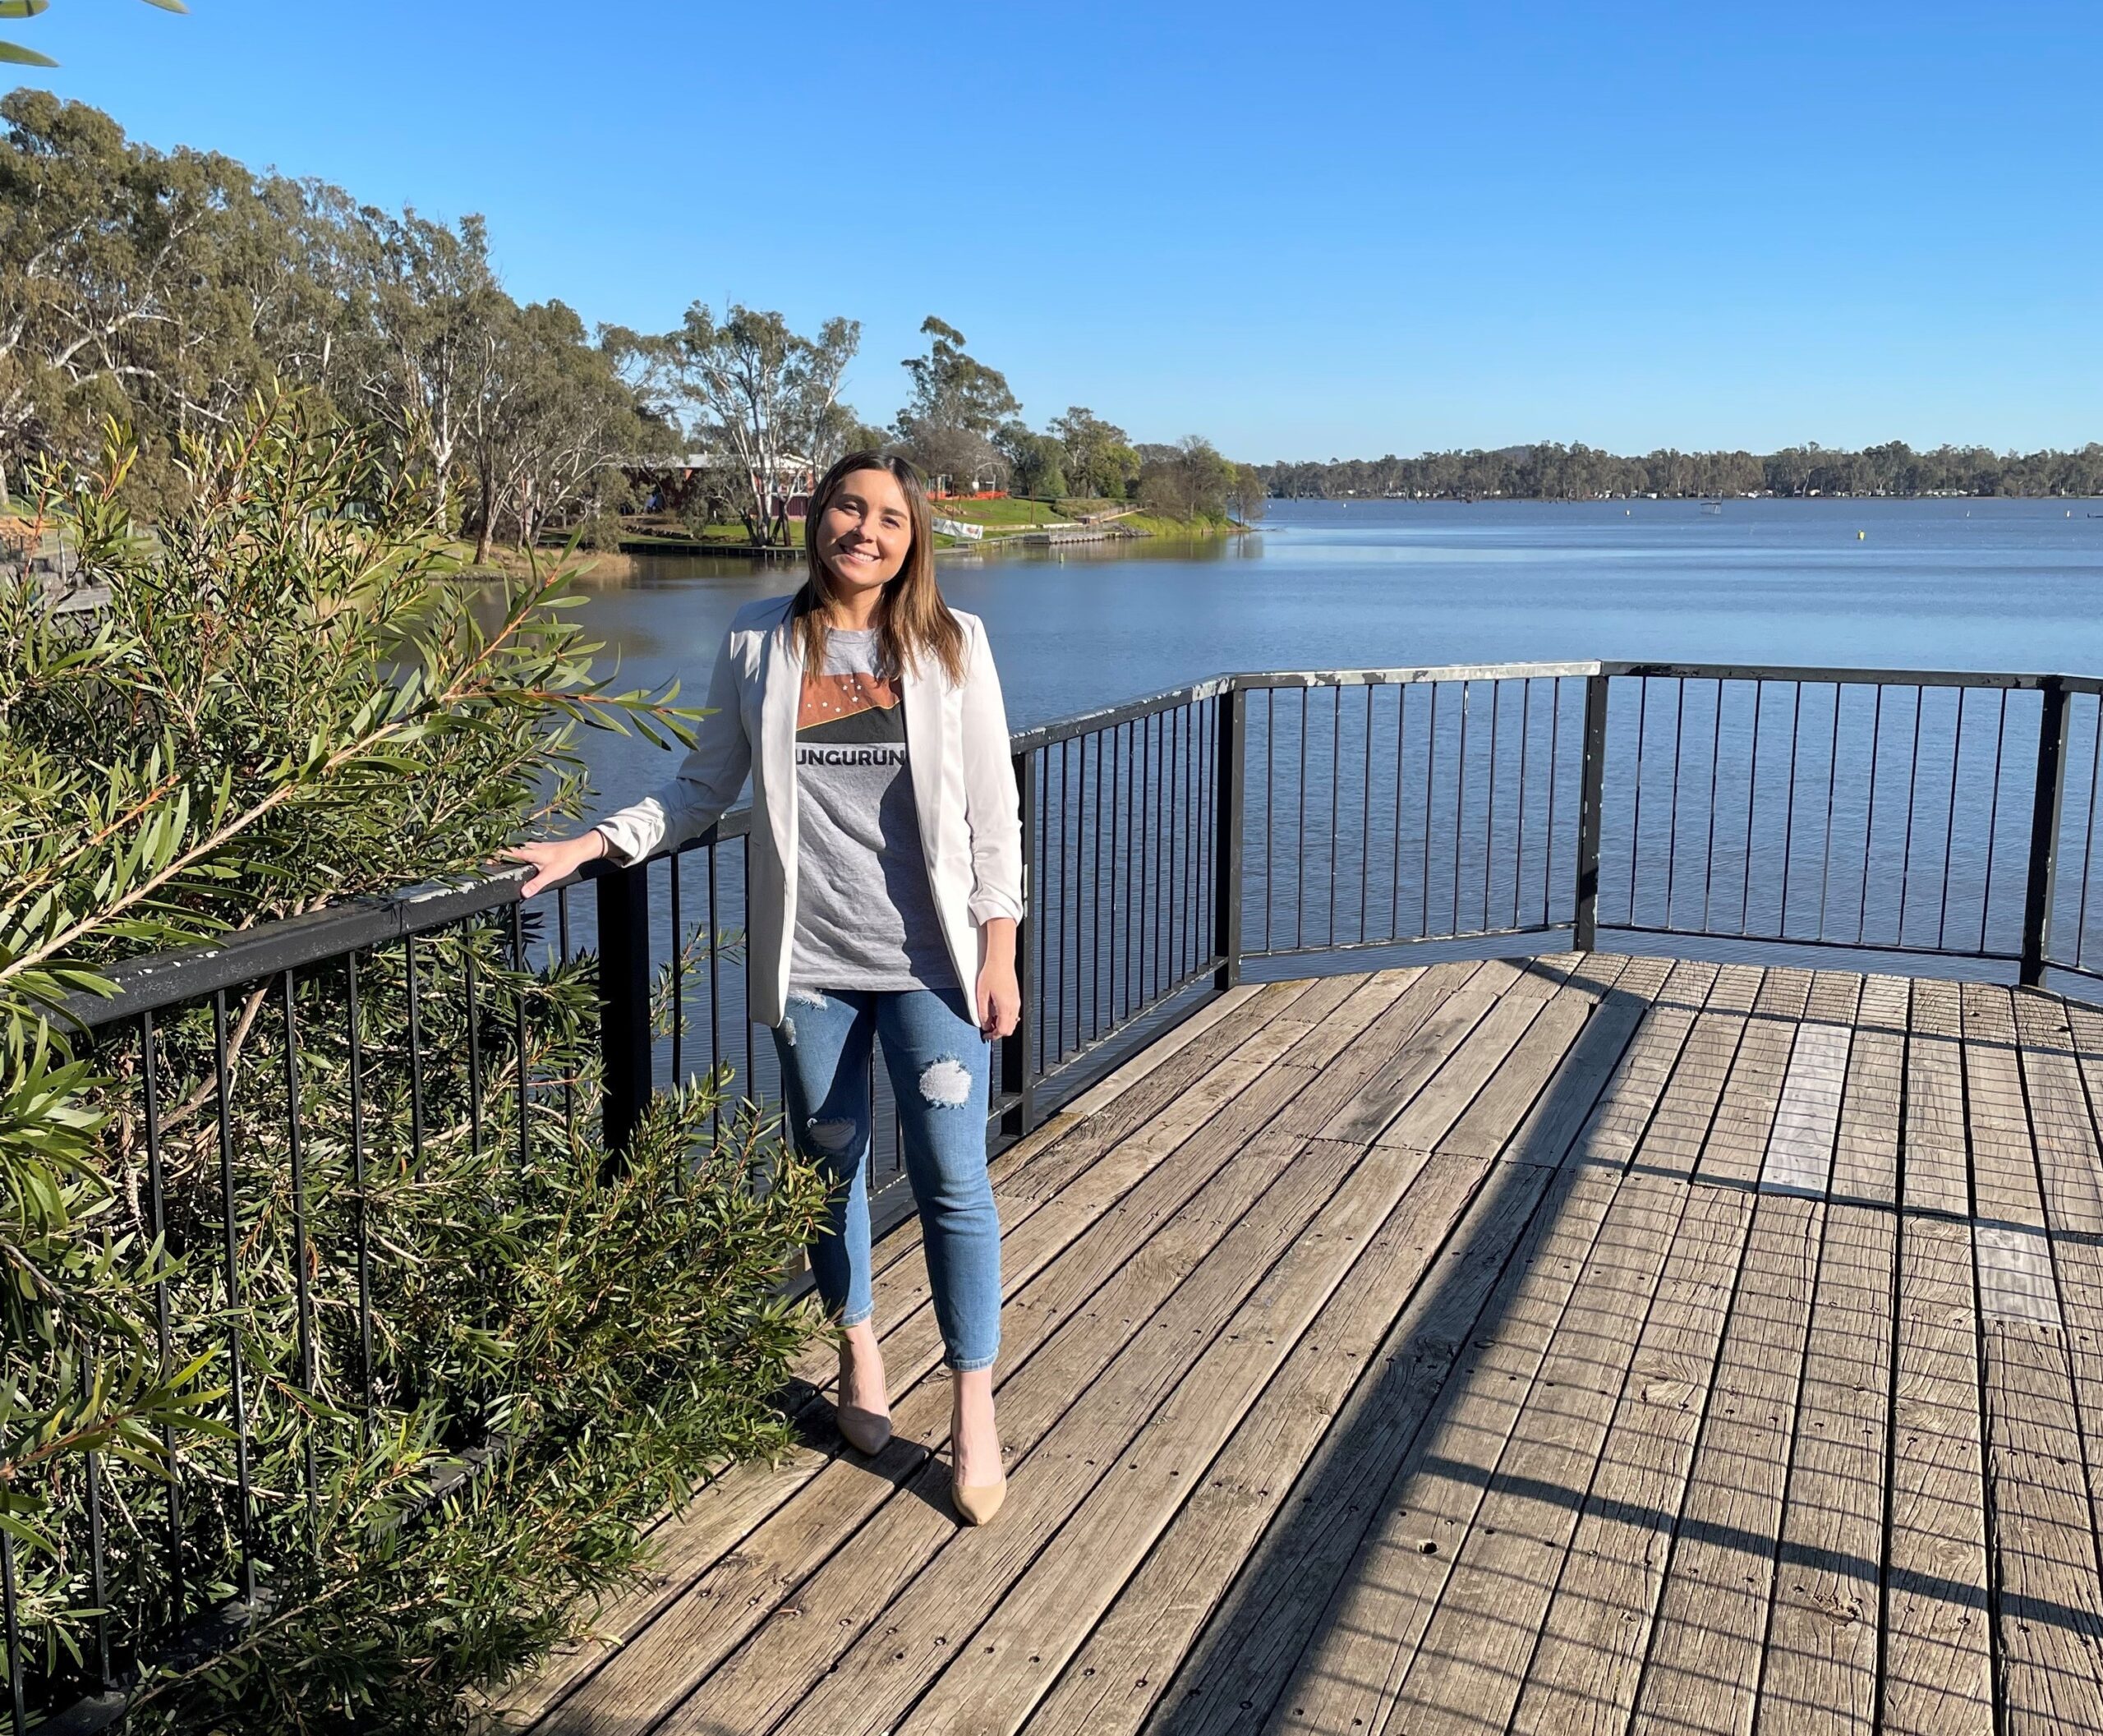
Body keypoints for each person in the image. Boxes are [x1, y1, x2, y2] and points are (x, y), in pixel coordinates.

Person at [505, 452, 1023, 1526]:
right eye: (849, 506)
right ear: (816, 516)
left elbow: (992, 814)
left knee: (954, 1183)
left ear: (912, 536)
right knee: (824, 1177)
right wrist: (597, 841)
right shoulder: (757, 640)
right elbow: (703, 788)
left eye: (890, 517)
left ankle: (975, 1404)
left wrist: (999, 947)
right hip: (812, 971)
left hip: (931, 967)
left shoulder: (952, 643)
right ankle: (858, 1353)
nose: (866, 530)